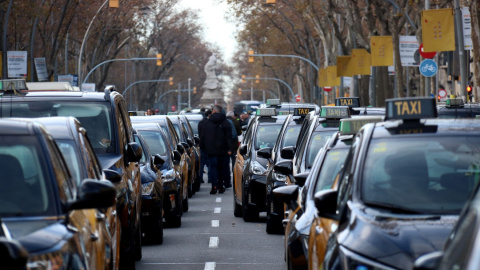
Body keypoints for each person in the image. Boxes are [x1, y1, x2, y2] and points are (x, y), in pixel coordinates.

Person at [199, 105, 233, 194]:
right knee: (221, 168)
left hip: (211, 150)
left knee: (213, 167)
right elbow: (229, 137)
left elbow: (203, 136)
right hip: (223, 150)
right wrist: (229, 148)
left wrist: (202, 147)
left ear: (213, 111)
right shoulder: (225, 122)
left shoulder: (208, 122)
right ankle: (220, 186)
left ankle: (214, 186)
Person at [198, 109, 212, 183]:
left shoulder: (201, 123)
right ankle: (210, 178)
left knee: (201, 163)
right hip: (210, 145)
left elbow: (200, 134)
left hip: (202, 145)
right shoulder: (210, 123)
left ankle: (200, 177)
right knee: (209, 162)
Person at [226, 111, 241, 177]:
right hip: (234, 143)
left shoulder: (224, 121)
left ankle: (227, 174)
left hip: (225, 143)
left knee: (226, 160)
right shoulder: (235, 121)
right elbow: (238, 133)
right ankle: (234, 172)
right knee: (234, 158)